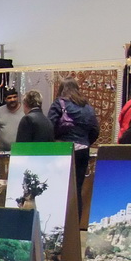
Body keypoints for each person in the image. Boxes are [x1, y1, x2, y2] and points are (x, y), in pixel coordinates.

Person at [47, 78, 99, 215]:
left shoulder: (59, 104)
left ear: (61, 89)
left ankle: (59, 226)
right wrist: (85, 142)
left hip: (62, 150)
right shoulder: (88, 107)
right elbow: (95, 130)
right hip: (83, 150)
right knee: (77, 190)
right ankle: (74, 228)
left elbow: (49, 128)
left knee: (58, 189)